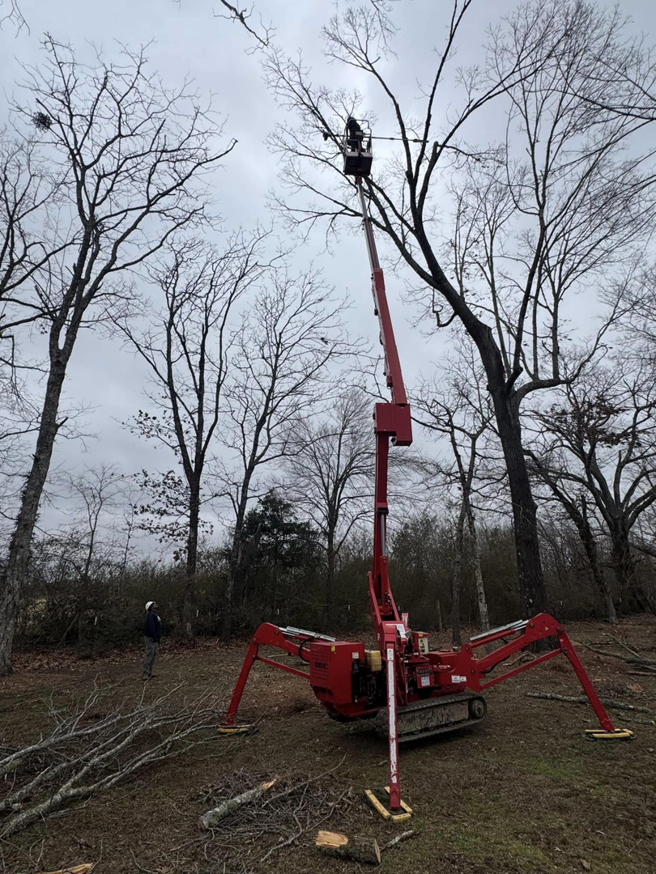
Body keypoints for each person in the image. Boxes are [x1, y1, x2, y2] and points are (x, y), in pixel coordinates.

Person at [142, 600, 161, 680]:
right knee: (149, 655)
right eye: (154, 604)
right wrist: (154, 636)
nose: (156, 604)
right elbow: (151, 627)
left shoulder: (154, 615)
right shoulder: (151, 615)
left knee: (153, 655)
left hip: (155, 638)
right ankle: (145, 674)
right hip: (151, 638)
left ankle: (150, 672)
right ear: (150, 607)